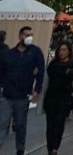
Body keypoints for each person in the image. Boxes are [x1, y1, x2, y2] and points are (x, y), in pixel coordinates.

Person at [0, 25, 45, 155]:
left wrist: (37, 89)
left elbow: (40, 71)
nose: (29, 37)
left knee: (20, 124)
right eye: (26, 35)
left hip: (23, 96)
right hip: (7, 95)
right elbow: (2, 71)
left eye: (31, 35)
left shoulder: (35, 52)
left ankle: (20, 149)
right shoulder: (10, 53)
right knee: (2, 123)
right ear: (20, 36)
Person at [43, 41, 73, 155]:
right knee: (50, 125)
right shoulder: (53, 64)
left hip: (64, 99)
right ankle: (50, 147)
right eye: (60, 50)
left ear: (69, 51)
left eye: (64, 50)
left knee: (59, 124)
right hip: (51, 98)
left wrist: (72, 74)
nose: (62, 52)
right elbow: (48, 78)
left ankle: (55, 148)